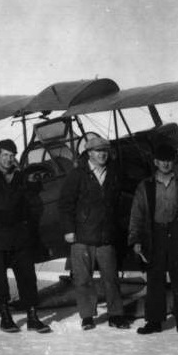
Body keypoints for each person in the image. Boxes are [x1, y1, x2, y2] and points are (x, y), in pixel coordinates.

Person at [0, 139, 51, 334]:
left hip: (19, 237)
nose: (8, 159)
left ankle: (33, 318)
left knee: (28, 277)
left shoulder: (20, 177)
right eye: (5, 155)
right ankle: (5, 318)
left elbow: (30, 202)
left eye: (12, 155)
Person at [128, 143, 178, 336]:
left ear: (173, 162)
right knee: (154, 279)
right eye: (162, 160)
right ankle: (153, 321)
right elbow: (137, 214)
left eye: (169, 160)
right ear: (155, 162)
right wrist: (136, 239)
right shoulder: (146, 186)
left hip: (177, 234)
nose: (165, 164)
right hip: (154, 235)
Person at [58, 135, 131, 330]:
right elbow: (65, 204)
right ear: (89, 153)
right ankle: (87, 316)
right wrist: (68, 230)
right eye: (98, 151)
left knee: (111, 278)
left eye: (105, 151)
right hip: (82, 236)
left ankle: (116, 314)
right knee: (83, 279)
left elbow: (119, 204)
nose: (102, 154)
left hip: (106, 236)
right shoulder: (77, 174)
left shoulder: (114, 174)